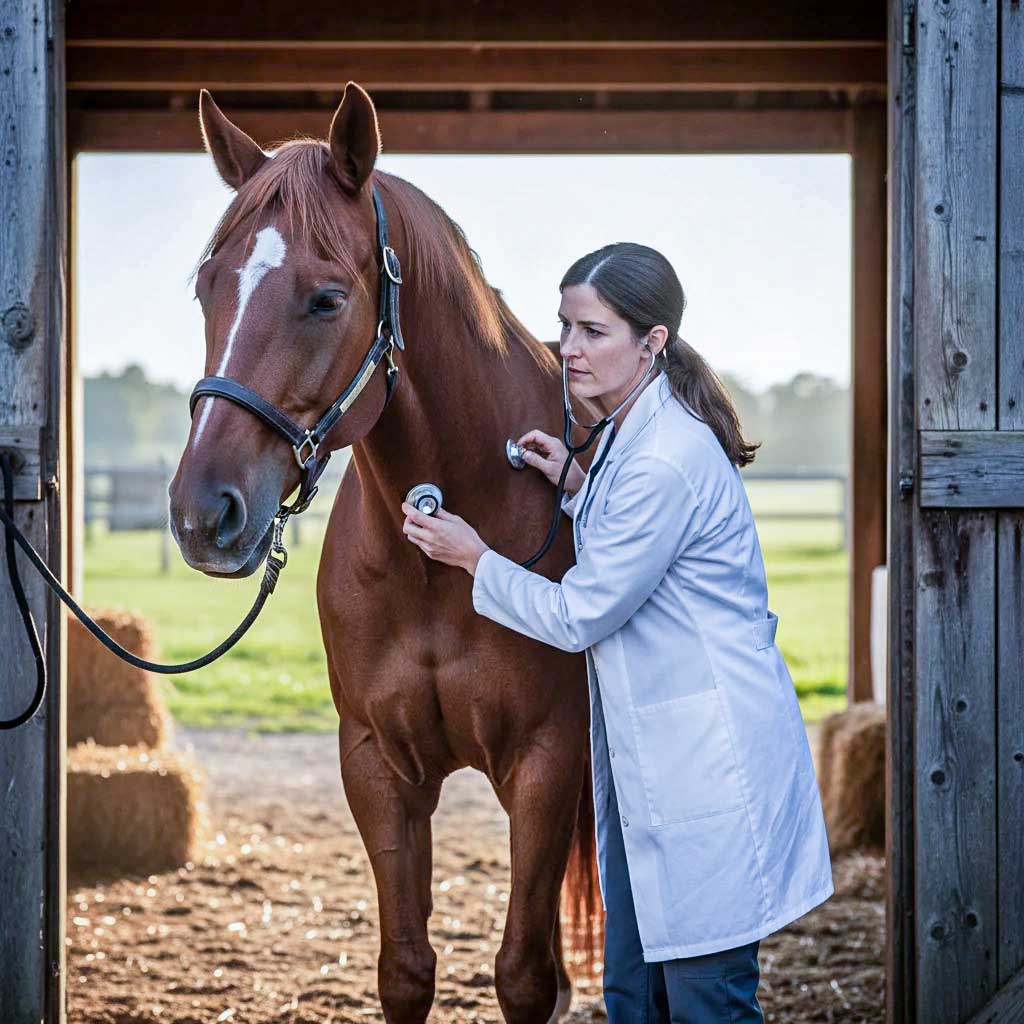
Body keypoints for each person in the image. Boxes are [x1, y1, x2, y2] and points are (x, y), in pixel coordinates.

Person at [400, 242, 833, 1024]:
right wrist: (574, 480)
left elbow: (579, 615)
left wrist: (475, 559)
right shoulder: (634, 441)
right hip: (654, 775)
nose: (568, 349)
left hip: (708, 768)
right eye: (564, 326)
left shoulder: (663, 458)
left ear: (653, 341)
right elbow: (636, 534)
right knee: (634, 997)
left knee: (706, 1005)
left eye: (593, 331)